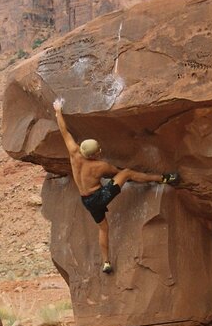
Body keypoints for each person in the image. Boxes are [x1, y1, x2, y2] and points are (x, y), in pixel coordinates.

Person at [53, 98, 178, 274]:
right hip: (100, 197)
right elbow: (116, 172)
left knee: (103, 228)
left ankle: (106, 262)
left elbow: (64, 131)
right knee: (127, 173)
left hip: (86, 200)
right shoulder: (99, 166)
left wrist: (58, 110)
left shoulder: (74, 153)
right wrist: (124, 175)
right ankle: (163, 178)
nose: (100, 152)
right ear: (94, 155)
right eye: (98, 151)